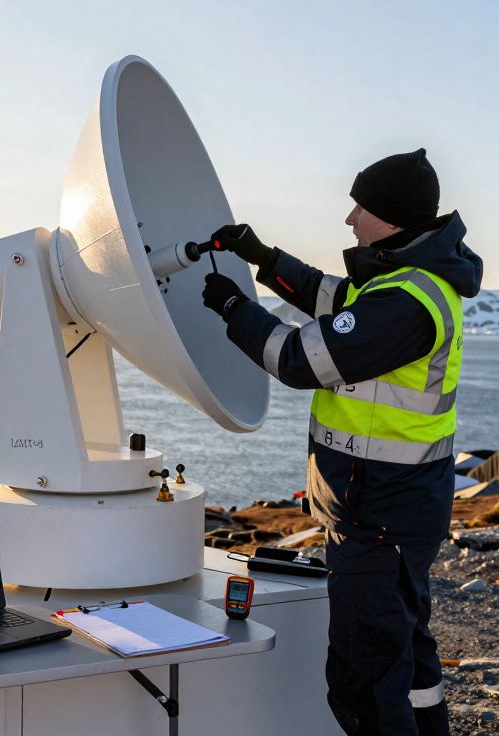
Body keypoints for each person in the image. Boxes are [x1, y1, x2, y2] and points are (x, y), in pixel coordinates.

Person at [195, 149, 482, 736]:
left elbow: (300, 359)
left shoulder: (406, 301)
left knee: (366, 683)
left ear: (393, 217)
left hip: (377, 518)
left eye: (361, 206)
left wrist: (233, 309)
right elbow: (335, 300)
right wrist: (263, 256)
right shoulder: (404, 279)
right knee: (407, 662)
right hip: (392, 513)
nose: (350, 218)